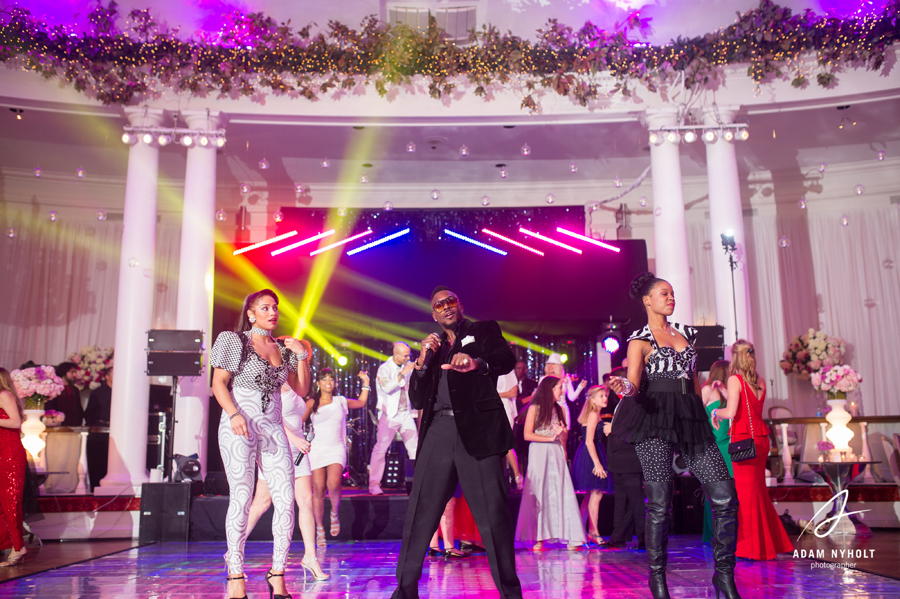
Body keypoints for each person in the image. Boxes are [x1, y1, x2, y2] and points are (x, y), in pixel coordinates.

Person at [609, 272, 740, 599]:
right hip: (653, 418)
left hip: (690, 416)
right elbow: (634, 384)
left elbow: (694, 379)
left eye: (672, 294)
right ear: (647, 301)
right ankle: (658, 580)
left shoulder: (685, 333)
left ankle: (724, 576)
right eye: (664, 294)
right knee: (659, 504)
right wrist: (623, 387)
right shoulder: (640, 338)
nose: (671, 298)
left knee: (725, 497)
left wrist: (704, 408)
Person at [392, 286, 522, 599]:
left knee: (494, 518)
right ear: (433, 315)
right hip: (437, 430)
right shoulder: (432, 349)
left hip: (478, 433)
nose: (446, 307)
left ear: (460, 305)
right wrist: (423, 360)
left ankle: (510, 593)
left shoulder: (483, 330)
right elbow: (417, 397)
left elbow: (503, 358)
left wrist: (477, 363)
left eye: (451, 301)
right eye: (440, 305)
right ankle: (405, 591)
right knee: (420, 514)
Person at [210, 289, 310, 599]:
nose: (272, 312)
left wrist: (303, 357)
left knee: (285, 498)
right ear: (251, 313)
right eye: (265, 307)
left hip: (272, 428)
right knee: (241, 496)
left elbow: (302, 389)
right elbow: (218, 383)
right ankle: (235, 566)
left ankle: (277, 568)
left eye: (275, 307)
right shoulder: (233, 340)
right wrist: (233, 413)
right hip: (239, 423)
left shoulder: (285, 348)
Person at [243, 369, 329, 581]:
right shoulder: (270, 382)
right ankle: (234, 550)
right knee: (262, 502)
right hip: (277, 447)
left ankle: (311, 557)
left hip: (298, 450)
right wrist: (294, 439)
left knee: (306, 501)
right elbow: (270, 416)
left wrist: (299, 440)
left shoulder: (293, 385)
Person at [712, 340, 793, 561]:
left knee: (746, 497)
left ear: (734, 357)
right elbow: (746, 402)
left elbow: (731, 412)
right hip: (760, 440)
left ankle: (753, 548)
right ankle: (774, 542)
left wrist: (715, 413)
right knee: (757, 493)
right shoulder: (760, 381)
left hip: (743, 440)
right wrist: (723, 391)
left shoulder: (734, 379)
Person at [515, 376, 586, 551]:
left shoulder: (560, 409)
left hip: (555, 451)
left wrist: (561, 434)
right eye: (559, 388)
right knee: (540, 491)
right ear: (549, 389)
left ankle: (571, 535)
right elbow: (527, 435)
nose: (562, 391)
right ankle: (539, 537)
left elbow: (563, 437)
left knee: (560, 490)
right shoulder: (534, 408)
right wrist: (550, 437)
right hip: (539, 451)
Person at [305, 368, 370, 547]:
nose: (328, 382)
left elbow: (362, 402)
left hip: (336, 448)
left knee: (333, 483)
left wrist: (366, 383)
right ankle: (320, 529)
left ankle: (334, 513)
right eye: (324, 379)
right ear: (318, 383)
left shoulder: (340, 401)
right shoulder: (312, 403)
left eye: (331, 379)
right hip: (317, 449)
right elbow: (298, 420)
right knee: (318, 489)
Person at [603, 369, 646, 549]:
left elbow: (636, 424)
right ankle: (618, 536)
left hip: (629, 456)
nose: (611, 386)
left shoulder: (634, 399)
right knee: (622, 499)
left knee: (636, 500)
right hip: (619, 457)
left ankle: (644, 538)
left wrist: (613, 430)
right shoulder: (623, 401)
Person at [369, 343, 418, 496]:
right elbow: (387, 388)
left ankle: (416, 484)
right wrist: (403, 372)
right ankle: (374, 485)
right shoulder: (384, 368)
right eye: (405, 355)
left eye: (409, 355)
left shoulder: (407, 366)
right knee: (380, 449)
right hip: (389, 415)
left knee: (415, 449)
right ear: (396, 355)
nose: (408, 357)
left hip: (405, 413)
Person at [571, 385, 613, 544]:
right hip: (592, 455)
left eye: (605, 395)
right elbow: (589, 441)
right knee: (596, 493)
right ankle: (593, 532)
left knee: (590, 495)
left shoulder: (593, 415)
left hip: (590, 453)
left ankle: (581, 531)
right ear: (593, 399)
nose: (605, 398)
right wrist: (598, 464)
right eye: (601, 396)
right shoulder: (594, 415)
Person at [702, 361, 733, 545]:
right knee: (715, 490)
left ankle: (729, 533)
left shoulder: (729, 391)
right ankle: (714, 533)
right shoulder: (707, 390)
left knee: (730, 490)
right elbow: (697, 416)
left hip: (730, 444)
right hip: (714, 445)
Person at [0, 368, 28, 567]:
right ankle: (12, 545)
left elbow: (15, 422)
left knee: (10, 501)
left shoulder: (5, 395)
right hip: (2, 453)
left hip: (10, 455)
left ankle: (18, 547)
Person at [84, 367, 112, 491]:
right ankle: (95, 490)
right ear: (107, 376)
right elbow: (89, 414)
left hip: (118, 432)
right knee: (97, 464)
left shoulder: (124, 392)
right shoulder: (97, 392)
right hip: (100, 434)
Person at [497, 367, 523, 491]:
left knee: (506, 444)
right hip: (490, 407)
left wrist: (495, 394)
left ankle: (517, 476)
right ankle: (499, 478)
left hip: (504, 407)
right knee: (495, 446)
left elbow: (513, 392)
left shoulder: (507, 370)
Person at [513, 361, 537, 479]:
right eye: (516, 368)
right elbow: (515, 403)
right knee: (515, 450)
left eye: (521, 368)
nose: (518, 370)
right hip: (515, 420)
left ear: (526, 370)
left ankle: (529, 477)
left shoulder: (532, 384)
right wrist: (525, 400)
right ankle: (517, 478)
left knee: (528, 451)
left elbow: (535, 400)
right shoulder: (511, 384)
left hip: (528, 420)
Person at [45, 362, 83, 426]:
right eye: (72, 372)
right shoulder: (54, 387)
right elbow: (49, 407)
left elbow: (79, 409)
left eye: (75, 372)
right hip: (57, 425)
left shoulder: (75, 389)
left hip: (73, 426)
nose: (74, 375)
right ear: (64, 372)